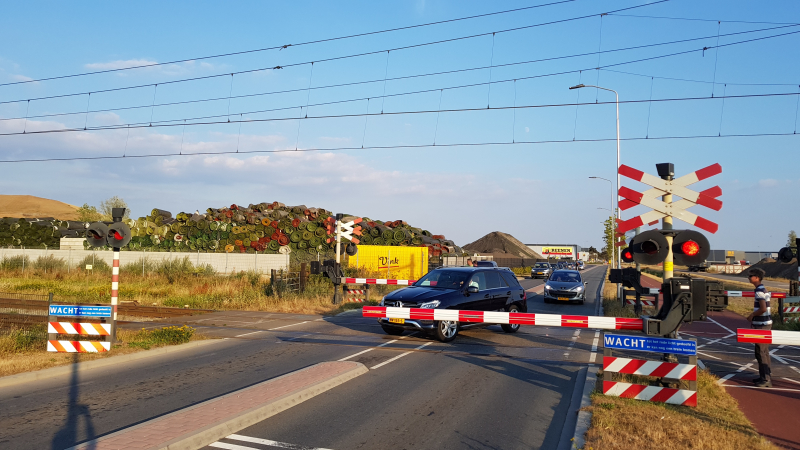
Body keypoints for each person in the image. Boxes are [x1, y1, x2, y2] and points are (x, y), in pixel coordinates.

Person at [745, 268, 772, 387]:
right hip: (765, 323)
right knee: (763, 351)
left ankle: (766, 379)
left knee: (761, 352)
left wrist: (752, 315)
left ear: (756, 277)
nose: (749, 278)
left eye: (750, 276)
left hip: (762, 324)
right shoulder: (763, 289)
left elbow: (763, 308)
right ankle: (764, 376)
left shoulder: (759, 291)